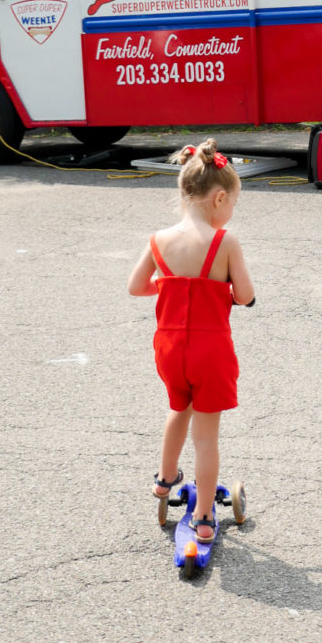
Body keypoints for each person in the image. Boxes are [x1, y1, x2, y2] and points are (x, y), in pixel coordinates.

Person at [127, 139, 257, 544]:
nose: (231, 211)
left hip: (169, 350)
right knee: (206, 436)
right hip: (210, 350)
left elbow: (136, 287)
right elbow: (245, 295)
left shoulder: (159, 240)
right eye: (232, 203)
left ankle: (165, 480)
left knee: (177, 408)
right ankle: (203, 515)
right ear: (219, 198)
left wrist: (169, 284)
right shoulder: (225, 243)